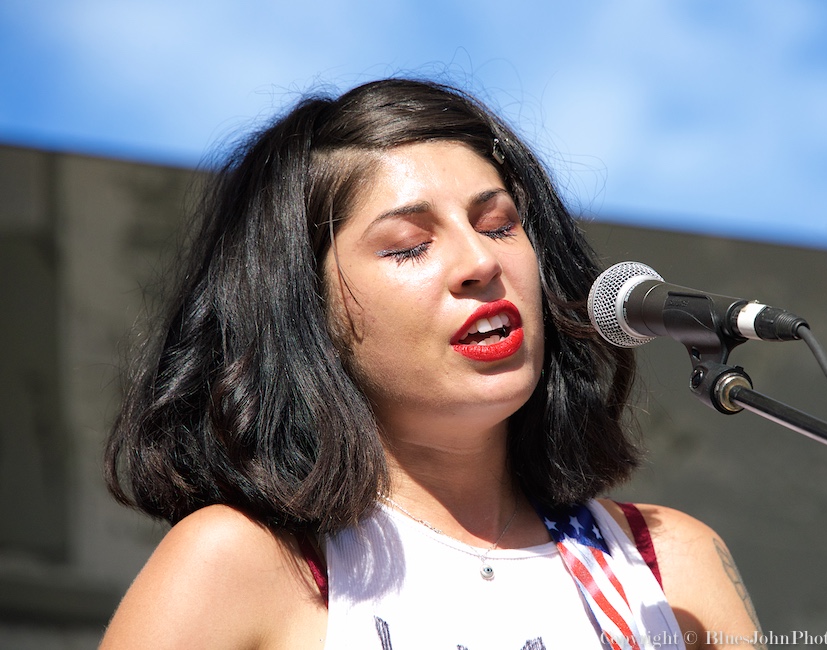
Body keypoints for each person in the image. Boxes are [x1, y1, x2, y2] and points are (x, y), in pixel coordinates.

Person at [100, 78, 765, 650]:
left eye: (498, 225)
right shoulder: (242, 563)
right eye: (409, 245)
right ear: (305, 310)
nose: (480, 262)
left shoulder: (668, 565)